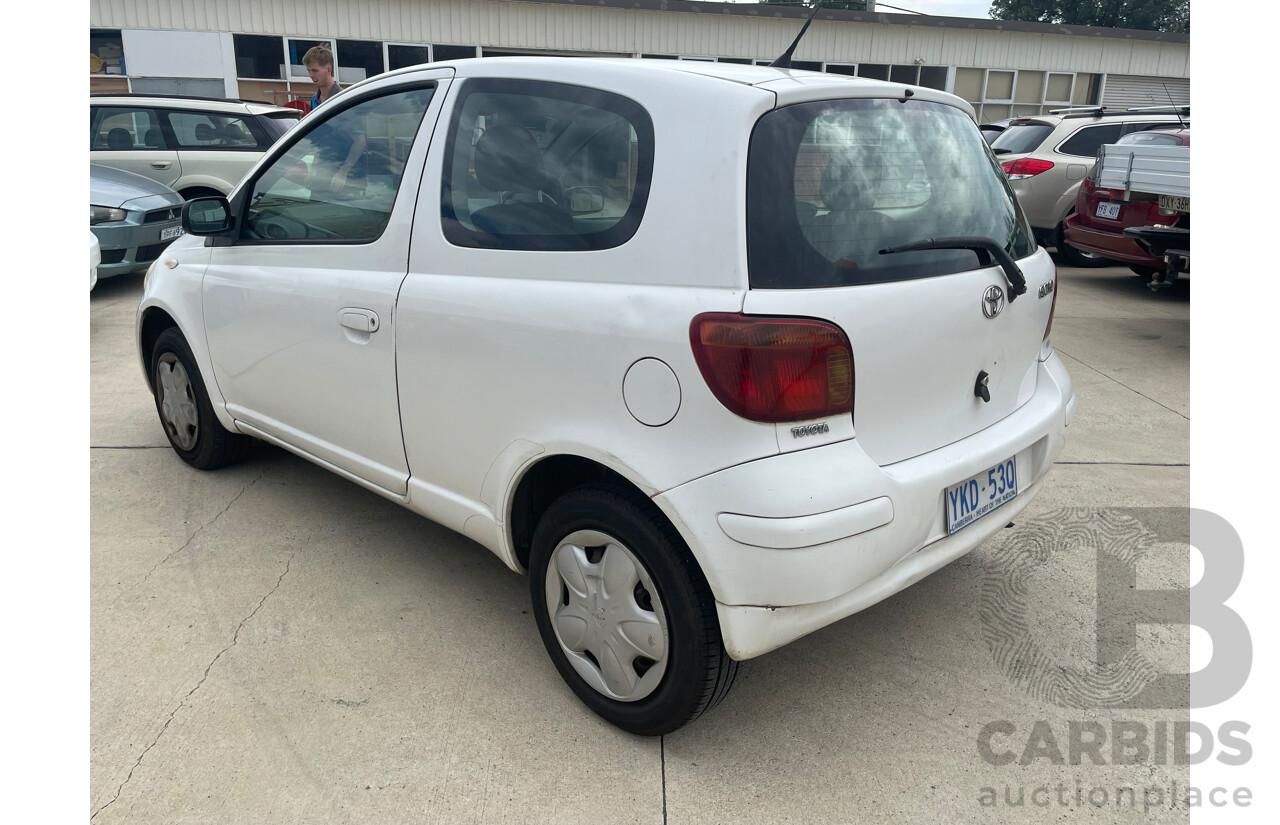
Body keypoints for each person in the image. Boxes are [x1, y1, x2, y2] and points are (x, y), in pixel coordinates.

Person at [301, 45, 366, 195]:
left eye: (315, 70)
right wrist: (313, 168)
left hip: (345, 177)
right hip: (323, 172)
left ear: (328, 70)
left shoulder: (345, 100)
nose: (310, 75)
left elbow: (360, 140)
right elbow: (320, 139)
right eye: (308, 71)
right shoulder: (314, 101)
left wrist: (343, 172)